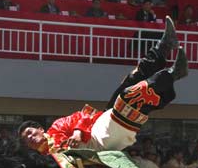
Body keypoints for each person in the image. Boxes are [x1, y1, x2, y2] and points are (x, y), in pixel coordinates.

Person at [19, 17, 186, 154]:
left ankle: (163, 47)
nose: (30, 138)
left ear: (40, 129)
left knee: (132, 79)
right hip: (100, 144)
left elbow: (78, 117)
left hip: (97, 130)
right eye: (26, 139)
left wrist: (77, 133)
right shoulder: (43, 161)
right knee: (128, 98)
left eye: (30, 133)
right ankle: (173, 73)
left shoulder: (56, 128)